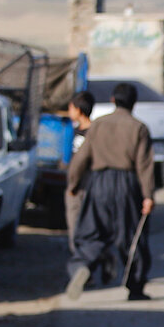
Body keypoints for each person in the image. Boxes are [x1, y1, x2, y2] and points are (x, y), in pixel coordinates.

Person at [66, 82, 155, 301]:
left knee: (92, 232)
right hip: (127, 185)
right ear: (134, 103)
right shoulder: (138, 127)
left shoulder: (98, 125)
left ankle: (82, 266)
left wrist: (73, 184)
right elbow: (144, 164)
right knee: (131, 237)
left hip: (98, 183)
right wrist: (148, 195)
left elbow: (82, 157)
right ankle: (135, 287)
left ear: (113, 100)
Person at [64, 90, 95, 252]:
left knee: (79, 225)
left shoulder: (94, 132)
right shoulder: (75, 131)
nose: (69, 112)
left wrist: (72, 185)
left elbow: (80, 163)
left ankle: (81, 260)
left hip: (85, 185)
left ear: (79, 110)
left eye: (71, 108)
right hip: (79, 184)